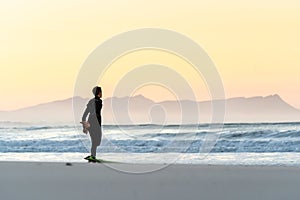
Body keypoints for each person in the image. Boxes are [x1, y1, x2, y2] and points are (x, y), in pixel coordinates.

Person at [81, 86, 103, 161]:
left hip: (90, 123)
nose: (101, 93)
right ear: (98, 92)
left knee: (96, 141)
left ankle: (92, 156)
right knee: (96, 141)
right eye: (101, 91)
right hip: (95, 123)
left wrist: (85, 127)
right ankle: (93, 156)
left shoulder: (91, 101)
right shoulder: (99, 101)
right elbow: (94, 112)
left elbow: (84, 115)